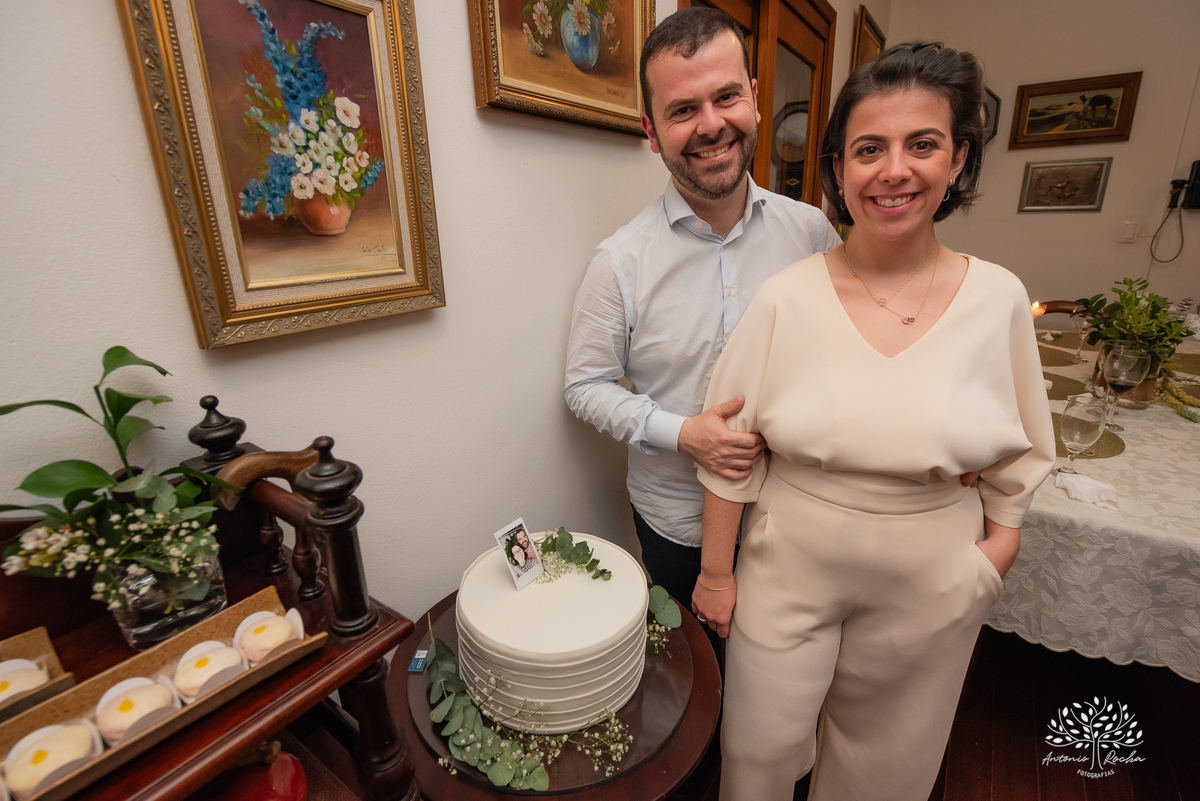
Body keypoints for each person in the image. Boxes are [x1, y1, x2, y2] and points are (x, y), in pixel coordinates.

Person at [690, 42, 1055, 801]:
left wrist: (996, 551)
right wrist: (717, 573)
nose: (894, 170)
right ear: (838, 168)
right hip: (786, 563)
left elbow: (1022, 451)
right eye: (868, 149)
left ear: (958, 159)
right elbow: (730, 451)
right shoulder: (784, 298)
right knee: (756, 754)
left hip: (934, 573)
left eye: (922, 144)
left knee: (886, 770)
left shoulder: (999, 299)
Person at [564, 7, 842, 609]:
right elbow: (584, 387)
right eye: (683, 110)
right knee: (701, 684)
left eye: (726, 97)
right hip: (678, 527)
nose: (711, 125)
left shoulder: (814, 234)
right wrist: (683, 433)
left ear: (756, 98)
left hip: (794, 514)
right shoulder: (619, 262)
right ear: (650, 128)